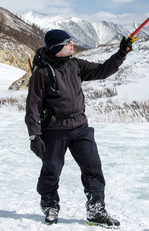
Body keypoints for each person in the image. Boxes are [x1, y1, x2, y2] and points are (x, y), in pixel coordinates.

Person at [25, 29, 132, 228]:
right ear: (57, 48)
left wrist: (121, 54)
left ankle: (96, 211)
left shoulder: (75, 64)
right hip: (55, 130)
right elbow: (32, 106)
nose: (72, 44)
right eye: (67, 42)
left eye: (71, 40)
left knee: (93, 168)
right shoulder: (42, 73)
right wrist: (34, 136)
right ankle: (50, 204)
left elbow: (102, 71)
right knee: (52, 169)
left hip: (81, 127)